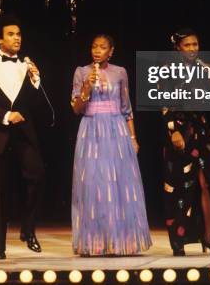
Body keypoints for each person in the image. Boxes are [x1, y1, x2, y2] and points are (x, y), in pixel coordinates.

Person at [0, 14, 48, 260]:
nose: (17, 38)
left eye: (19, 34)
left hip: (24, 134)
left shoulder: (27, 66)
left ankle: (27, 228)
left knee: (37, 175)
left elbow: (38, 105)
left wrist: (36, 80)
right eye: (11, 34)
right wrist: (5, 115)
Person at [70, 34, 152, 256]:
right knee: (93, 184)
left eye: (102, 47)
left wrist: (133, 138)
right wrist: (87, 86)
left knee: (119, 184)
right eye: (94, 46)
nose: (97, 50)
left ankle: (121, 241)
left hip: (117, 131)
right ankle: (96, 241)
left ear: (111, 51)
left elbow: (127, 108)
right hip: (91, 130)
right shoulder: (81, 71)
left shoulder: (120, 72)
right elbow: (76, 108)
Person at [162, 28, 210, 256]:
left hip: (201, 129)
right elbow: (164, 104)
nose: (192, 49)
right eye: (187, 45)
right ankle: (178, 240)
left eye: (195, 44)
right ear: (178, 48)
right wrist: (173, 132)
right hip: (179, 130)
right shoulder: (167, 70)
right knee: (180, 185)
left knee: (207, 183)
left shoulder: (205, 69)